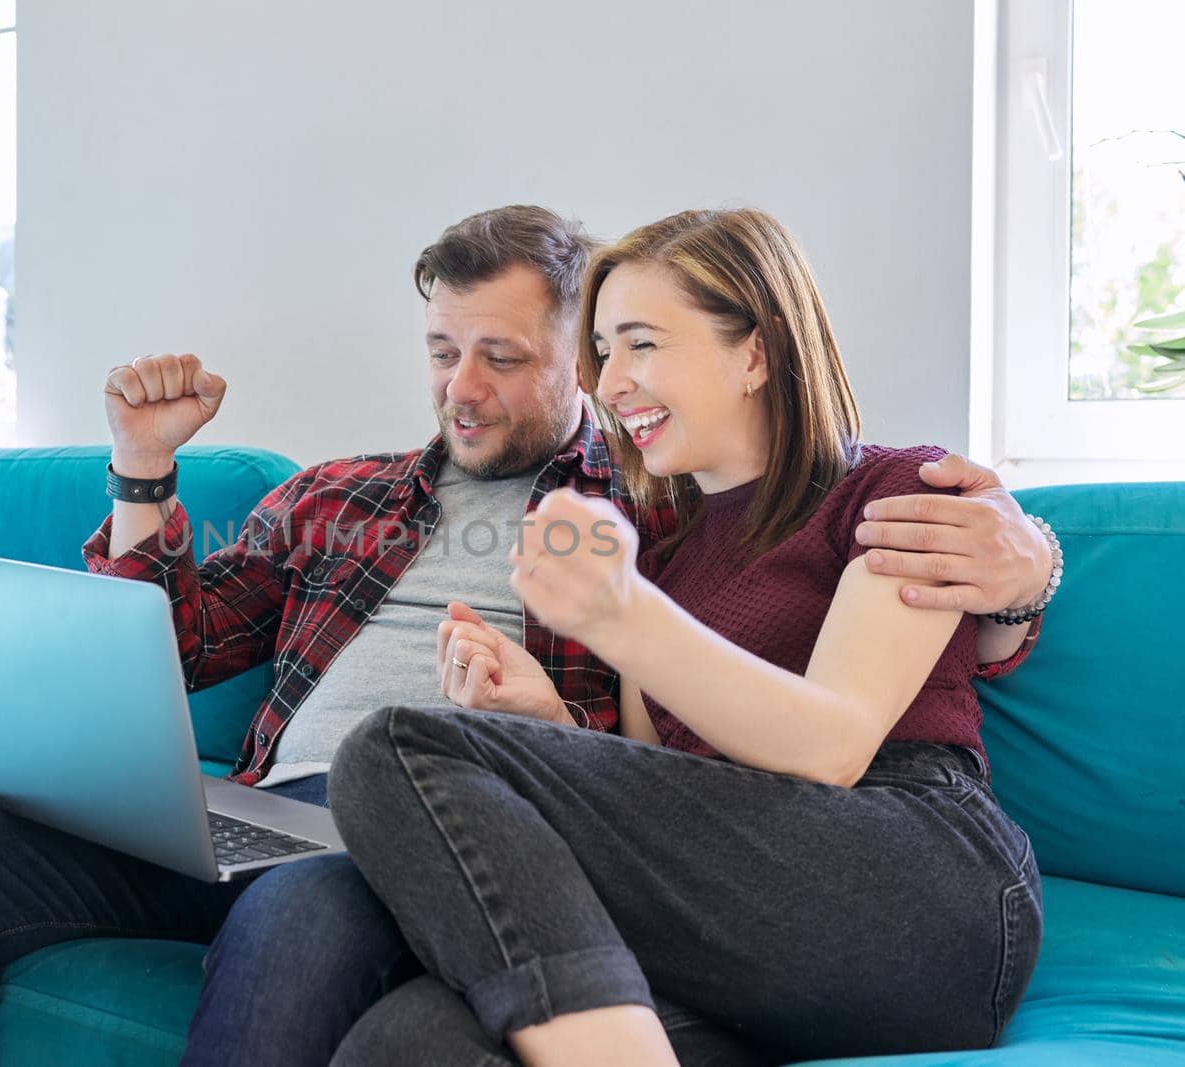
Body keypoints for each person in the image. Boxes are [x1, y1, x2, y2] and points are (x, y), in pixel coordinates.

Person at [0, 207, 1054, 1066]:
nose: (466, 382)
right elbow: (640, 767)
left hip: (448, 846)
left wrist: (1024, 572)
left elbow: (856, 707)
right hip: (317, 816)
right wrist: (139, 480)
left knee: (384, 776)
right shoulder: (366, 496)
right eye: (445, 350)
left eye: (511, 355)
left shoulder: (634, 514)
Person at [320, 207, 1046, 1066]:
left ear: (757, 352)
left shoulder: (895, 491)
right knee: (407, 1040)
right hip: (745, 934)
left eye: (642, 344)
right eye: (604, 350)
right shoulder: (662, 545)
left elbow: (833, 744)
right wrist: (546, 722)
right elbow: (663, 785)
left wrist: (621, 614)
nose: (608, 381)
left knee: (395, 746)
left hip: (913, 888)